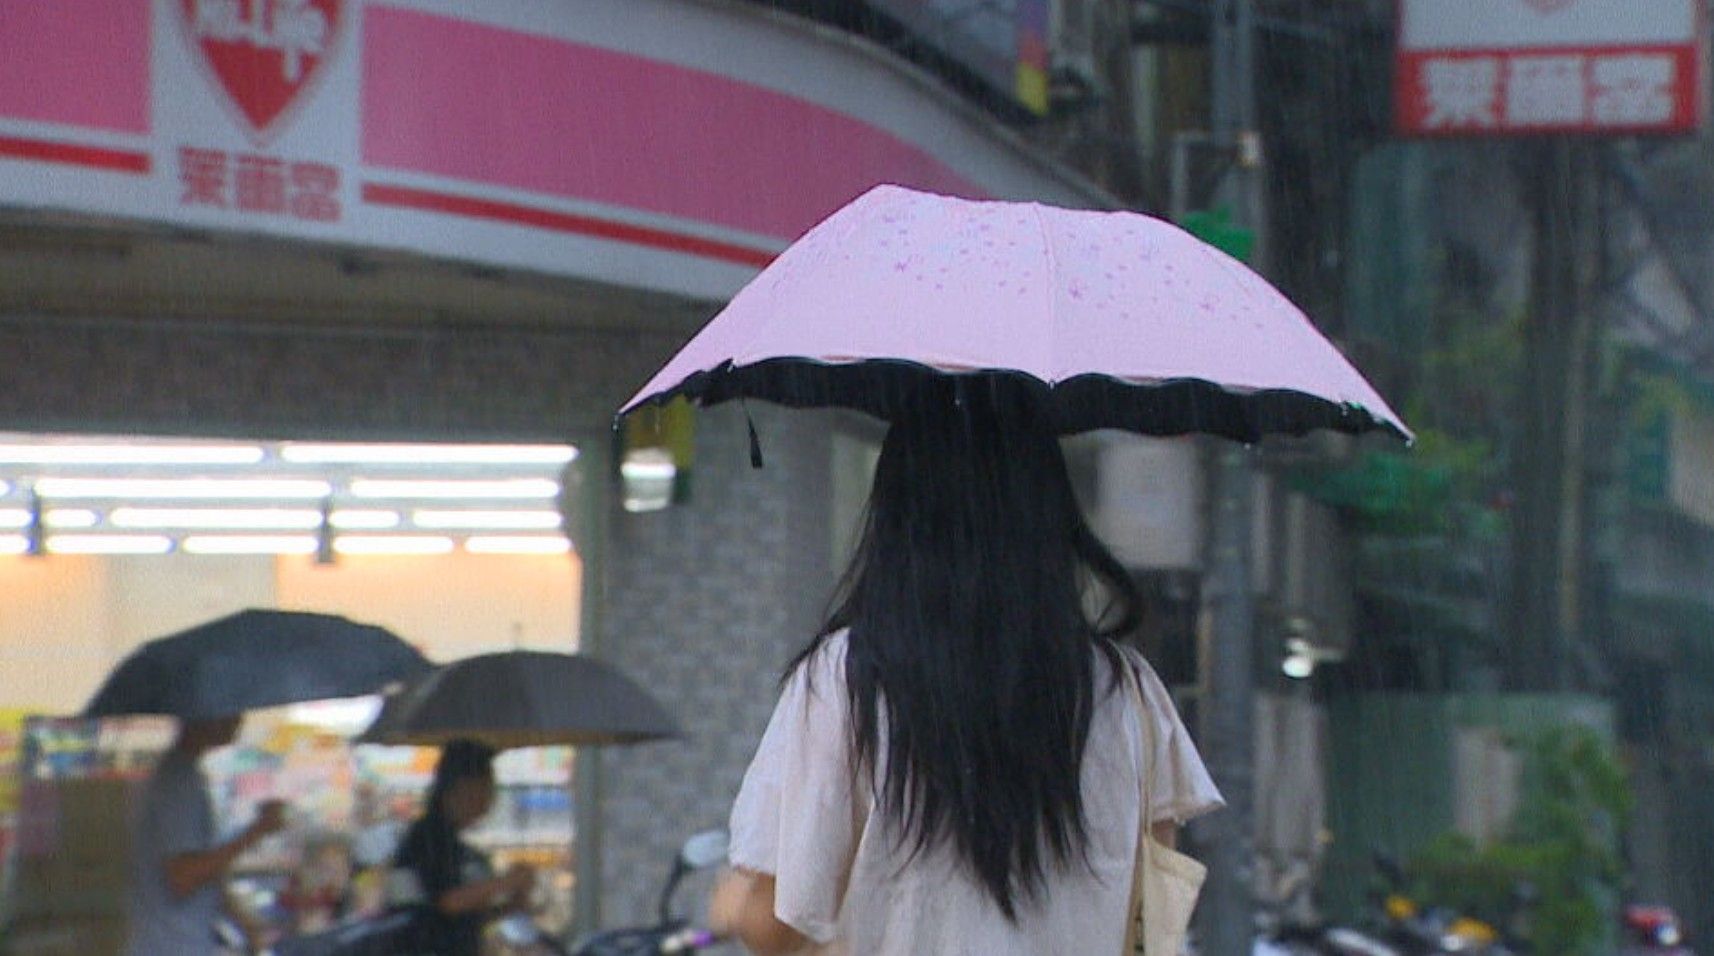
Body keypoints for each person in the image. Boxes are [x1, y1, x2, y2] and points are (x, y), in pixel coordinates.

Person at [710, 379, 1225, 955]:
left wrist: (733, 901)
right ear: (1049, 514)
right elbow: (1153, 909)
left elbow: (779, 925)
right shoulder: (1125, 691)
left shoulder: (847, 681)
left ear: (899, 517)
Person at [125, 715, 288, 956]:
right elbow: (184, 876)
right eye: (231, 711)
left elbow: (203, 875)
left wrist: (246, 924)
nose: (238, 720)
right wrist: (257, 830)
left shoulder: (186, 776)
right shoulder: (178, 781)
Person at [390, 738, 535, 956]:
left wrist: (510, 906)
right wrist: (506, 882)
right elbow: (446, 901)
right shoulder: (427, 838)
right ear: (462, 787)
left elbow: (464, 916)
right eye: (486, 789)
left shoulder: (456, 845)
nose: (489, 801)